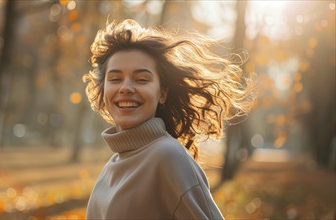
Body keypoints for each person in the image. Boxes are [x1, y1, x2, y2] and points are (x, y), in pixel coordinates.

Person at [83, 19, 255, 220]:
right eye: (115, 79)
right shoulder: (113, 165)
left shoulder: (168, 156)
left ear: (162, 93)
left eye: (141, 79)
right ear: (103, 90)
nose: (125, 88)